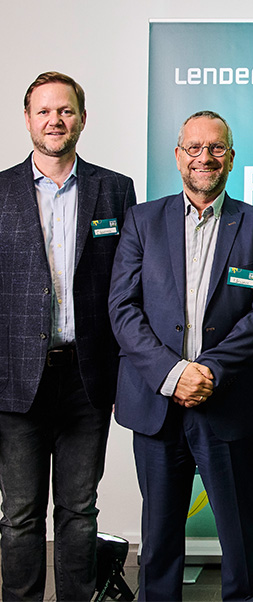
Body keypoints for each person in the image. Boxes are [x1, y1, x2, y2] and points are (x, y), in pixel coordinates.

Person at [108, 110, 253, 601]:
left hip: (228, 403)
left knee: (238, 535)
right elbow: (122, 308)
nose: (204, 157)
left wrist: (208, 371)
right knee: (160, 537)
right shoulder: (143, 220)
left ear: (231, 156)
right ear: (178, 155)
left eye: (216, 148)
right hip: (157, 403)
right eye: (194, 148)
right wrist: (173, 373)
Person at [0, 71, 136, 601]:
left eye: (66, 111)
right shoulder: (1, 191)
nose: (55, 120)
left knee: (79, 512)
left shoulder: (114, 189)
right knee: (21, 516)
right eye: (44, 111)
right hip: (15, 381)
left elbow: (131, 282)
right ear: (28, 119)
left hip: (87, 377)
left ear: (82, 117)